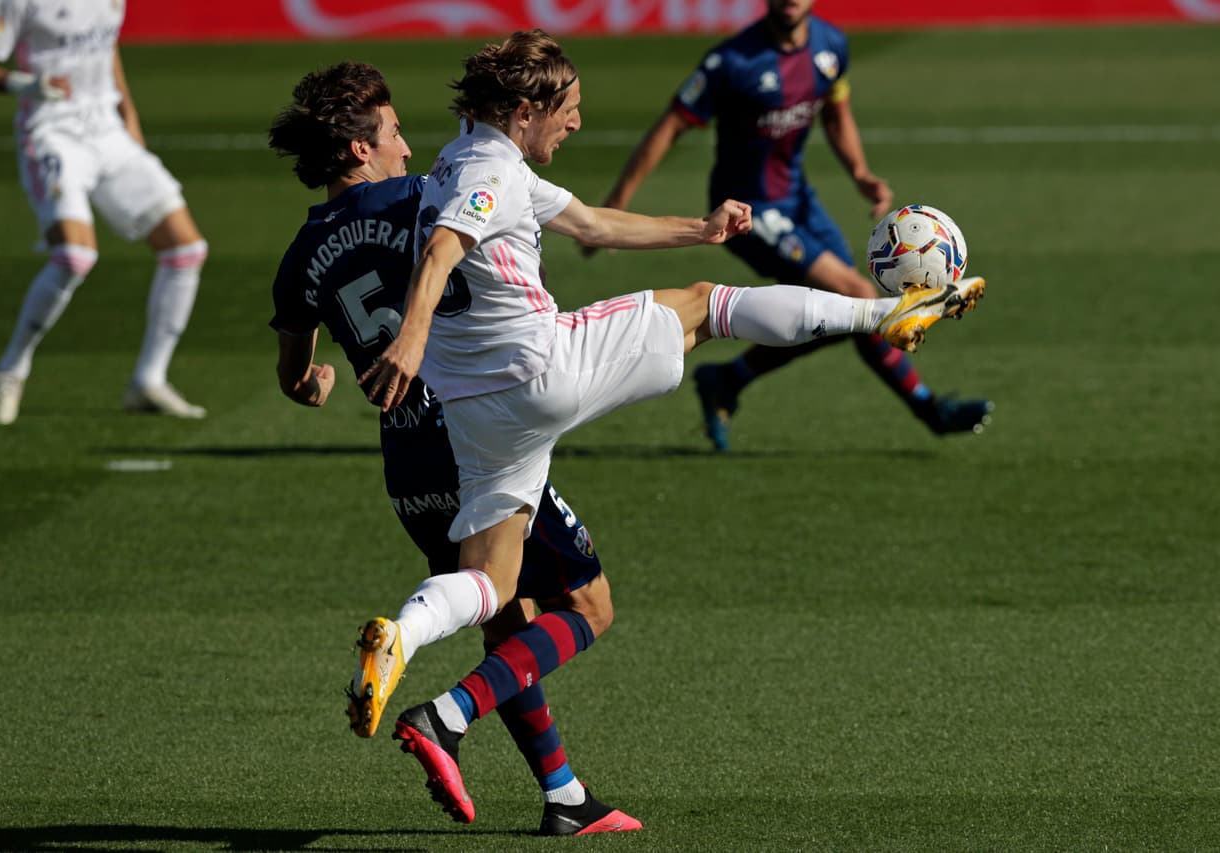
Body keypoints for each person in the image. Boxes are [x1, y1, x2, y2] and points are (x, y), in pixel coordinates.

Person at [349, 29, 985, 826]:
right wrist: (407, 337)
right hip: (542, 369)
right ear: (523, 111)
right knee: (709, 306)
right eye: (569, 111)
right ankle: (886, 312)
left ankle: (406, 648)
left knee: (494, 584)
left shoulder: (463, 157)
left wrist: (700, 223)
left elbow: (590, 224)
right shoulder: (486, 174)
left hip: (475, 411)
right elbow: (445, 248)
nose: (576, 125)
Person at [266, 62, 640, 836]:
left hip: (405, 463)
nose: (407, 147)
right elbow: (472, 234)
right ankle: (442, 710)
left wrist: (319, 382)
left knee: (500, 608)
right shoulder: (416, 199)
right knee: (588, 603)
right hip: (472, 429)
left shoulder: (302, 253)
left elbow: (294, 376)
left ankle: (565, 796)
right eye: (394, 133)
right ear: (359, 151)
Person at [591, 0, 992, 451]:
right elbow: (670, 127)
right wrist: (614, 209)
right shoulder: (731, 61)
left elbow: (836, 112)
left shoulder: (830, 45)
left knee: (832, 314)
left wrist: (860, 173)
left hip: (802, 202)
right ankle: (927, 407)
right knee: (856, 297)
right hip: (748, 212)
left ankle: (727, 379)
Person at [0, 0, 208, 426]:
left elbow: (106, 46)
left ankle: (148, 380)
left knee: (185, 249)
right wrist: (28, 85)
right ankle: (9, 372)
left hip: (108, 133)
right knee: (74, 258)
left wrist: (128, 114)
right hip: (52, 133)